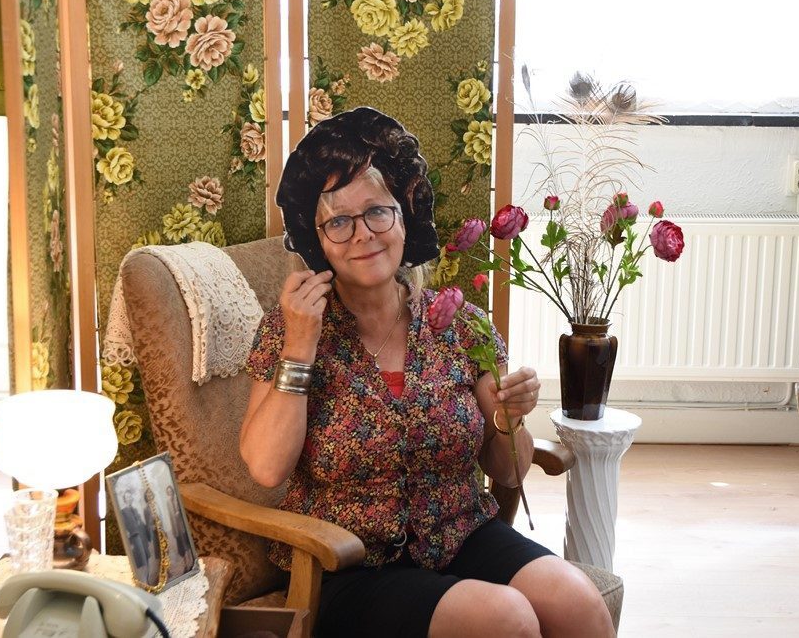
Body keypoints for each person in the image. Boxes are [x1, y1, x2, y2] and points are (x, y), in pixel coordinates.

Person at [240, 107, 614, 637]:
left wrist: (507, 420)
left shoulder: (460, 323)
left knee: (579, 603)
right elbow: (265, 468)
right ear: (316, 237)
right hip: (348, 561)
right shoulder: (290, 328)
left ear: (405, 215)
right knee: (505, 619)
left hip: (461, 533)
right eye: (338, 221)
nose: (362, 235)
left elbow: (509, 472)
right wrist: (300, 348)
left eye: (377, 211)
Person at [119, 488, 155, 583]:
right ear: (125, 499)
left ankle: (147, 580)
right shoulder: (123, 512)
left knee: (146, 558)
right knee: (141, 560)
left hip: (143, 537)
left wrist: (148, 530)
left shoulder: (135, 509)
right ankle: (143, 582)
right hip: (135, 538)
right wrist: (130, 542)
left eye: (130, 496)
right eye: (127, 497)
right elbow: (125, 528)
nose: (129, 498)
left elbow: (141, 523)